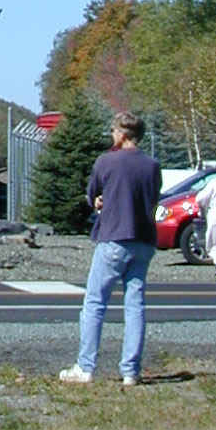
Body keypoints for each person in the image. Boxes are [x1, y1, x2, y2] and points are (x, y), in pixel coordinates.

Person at [59, 111, 162, 388]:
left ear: (123, 134)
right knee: (135, 305)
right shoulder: (152, 165)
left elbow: (93, 194)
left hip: (114, 237)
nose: (112, 135)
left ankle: (86, 366)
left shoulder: (106, 161)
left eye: (114, 131)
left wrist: (100, 202)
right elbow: (152, 198)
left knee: (95, 303)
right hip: (143, 240)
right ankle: (131, 371)